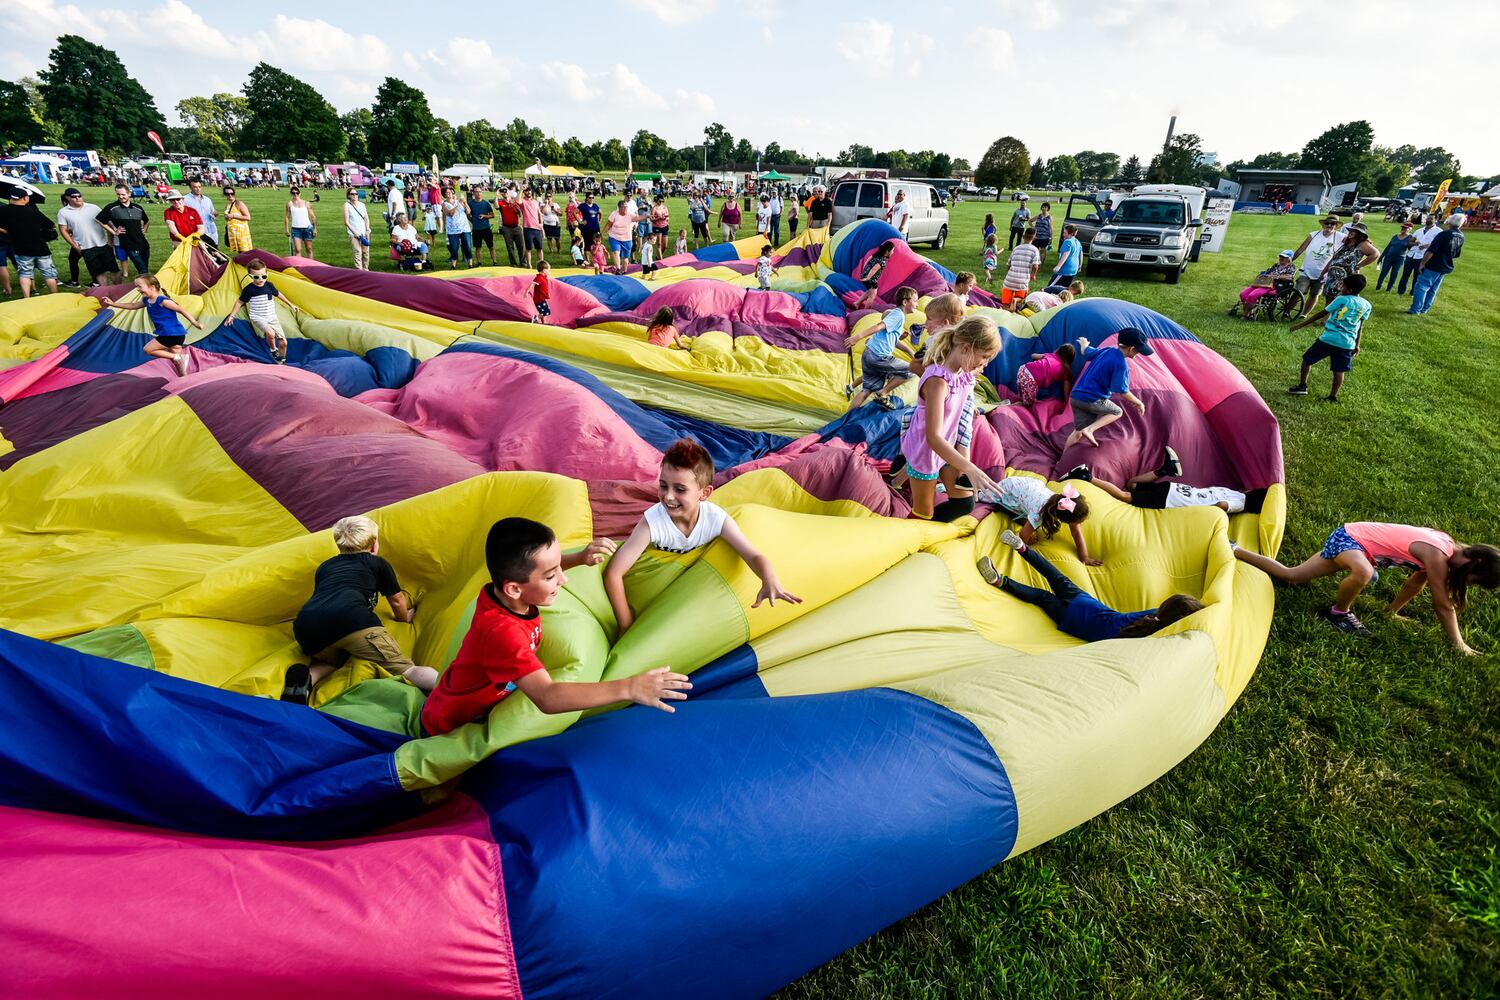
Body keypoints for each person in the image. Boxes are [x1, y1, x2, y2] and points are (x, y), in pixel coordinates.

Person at [419, 518, 686, 735]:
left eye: (559, 568)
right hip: (450, 723)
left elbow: (536, 570)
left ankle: (428, 680)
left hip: (473, 686)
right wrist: (629, 687)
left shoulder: (503, 593)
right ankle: (421, 682)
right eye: (551, 576)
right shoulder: (504, 634)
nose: (564, 580)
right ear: (513, 588)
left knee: (446, 685)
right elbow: (547, 697)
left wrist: (580, 557)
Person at [603, 440, 801, 633]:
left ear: (704, 493)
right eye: (663, 486)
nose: (668, 496)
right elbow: (614, 573)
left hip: (685, 599)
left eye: (680, 489)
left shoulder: (715, 519)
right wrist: (626, 624)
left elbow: (753, 555)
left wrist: (769, 580)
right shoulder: (652, 522)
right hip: (651, 594)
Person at [1232, 523, 1498, 650]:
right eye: (1471, 581)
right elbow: (1443, 605)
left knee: (1292, 575)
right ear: (1474, 564)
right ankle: (1338, 613)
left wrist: (1392, 611)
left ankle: (1235, 549)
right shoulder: (1438, 555)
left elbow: (1415, 582)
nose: (1466, 584)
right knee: (1364, 572)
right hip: (1351, 542)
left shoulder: (1444, 544)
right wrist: (1459, 644)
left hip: (1350, 540)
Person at [283, 516, 438, 705]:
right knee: (407, 669)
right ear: (374, 546)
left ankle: (305, 681)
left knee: (333, 660)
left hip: (307, 626)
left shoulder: (325, 566)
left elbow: (327, 599)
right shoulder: (377, 564)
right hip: (351, 620)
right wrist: (405, 617)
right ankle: (450, 688)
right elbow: (397, 601)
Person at [977, 530, 1205, 641]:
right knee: (1041, 597)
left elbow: (1168, 612)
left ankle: (1021, 547)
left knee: (1055, 576)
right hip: (1073, 623)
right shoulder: (1153, 636)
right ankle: (1000, 581)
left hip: (1086, 605)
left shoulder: (1152, 616)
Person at [900, 315, 1003, 521]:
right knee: (923, 513)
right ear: (966, 348)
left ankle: (930, 529)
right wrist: (969, 468)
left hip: (948, 448)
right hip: (926, 453)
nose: (983, 364)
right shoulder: (938, 382)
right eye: (983, 357)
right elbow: (933, 438)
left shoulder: (963, 375)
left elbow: (961, 417)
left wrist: (965, 462)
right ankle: (914, 533)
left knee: (964, 503)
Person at [1069, 448, 1265, 516]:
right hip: (1172, 501)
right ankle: (1086, 476)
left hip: (1178, 489)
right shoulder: (1239, 504)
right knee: (1125, 496)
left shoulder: (1236, 492)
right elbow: (1222, 505)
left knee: (1132, 484)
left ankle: (1165, 470)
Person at [1287, 272, 1369, 403]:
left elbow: (1321, 314)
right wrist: (1357, 345)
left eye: (1343, 287)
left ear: (1350, 290)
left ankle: (1302, 386)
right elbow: (1360, 326)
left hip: (1328, 339)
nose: (1341, 289)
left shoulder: (1342, 299)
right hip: (1347, 344)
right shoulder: (1366, 305)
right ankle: (1333, 396)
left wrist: (1300, 325)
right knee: (1339, 370)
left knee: (1307, 360)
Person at [101, 273, 203, 377]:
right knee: (178, 363)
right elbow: (133, 305)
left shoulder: (162, 301)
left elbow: (181, 309)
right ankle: (184, 377)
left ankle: (179, 358)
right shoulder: (147, 300)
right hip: (175, 334)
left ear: (152, 287)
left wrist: (194, 322)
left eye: (139, 286)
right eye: (136, 287)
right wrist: (113, 304)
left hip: (171, 334)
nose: (137, 289)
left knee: (148, 349)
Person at [1065, 327, 1153, 447]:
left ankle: (1061, 460)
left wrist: (1084, 344)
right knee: (1117, 412)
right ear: (1132, 349)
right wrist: (1138, 403)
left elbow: (1086, 353)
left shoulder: (1106, 350)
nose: (1138, 354)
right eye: (1138, 351)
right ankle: (1090, 430)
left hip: (1076, 397)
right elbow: (1122, 391)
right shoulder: (1121, 365)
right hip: (1092, 399)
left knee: (1078, 432)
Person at [981, 475, 1098, 563]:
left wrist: (1085, 557)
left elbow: (1076, 532)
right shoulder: (1039, 514)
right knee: (981, 496)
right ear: (1063, 519)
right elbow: (1022, 536)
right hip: (1007, 491)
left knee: (1028, 517)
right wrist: (1028, 541)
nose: (1079, 525)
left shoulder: (1058, 501)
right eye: (1078, 522)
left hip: (1026, 486)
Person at [843, 285, 918, 409]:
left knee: (866, 390)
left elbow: (892, 341)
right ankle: (883, 393)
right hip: (878, 356)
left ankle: (846, 418)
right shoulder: (898, 314)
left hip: (869, 354)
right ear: (905, 302)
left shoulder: (898, 317)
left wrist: (908, 348)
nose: (917, 304)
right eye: (915, 301)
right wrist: (857, 337)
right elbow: (879, 326)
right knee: (910, 370)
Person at [223, 259, 300, 362]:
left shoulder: (269, 285)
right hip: (258, 317)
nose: (260, 279)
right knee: (271, 334)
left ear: (267, 274)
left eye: (263, 276)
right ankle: (273, 349)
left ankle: (281, 361)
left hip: (272, 317)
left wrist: (291, 304)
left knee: (283, 343)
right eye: (256, 277)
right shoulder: (249, 289)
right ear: (250, 276)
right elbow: (239, 302)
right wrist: (231, 316)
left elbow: (278, 294)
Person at [0, 188, 59, 298]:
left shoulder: (4, 211)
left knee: (25, 274)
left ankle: (27, 297)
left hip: (21, 248)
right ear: (25, 198)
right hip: (41, 247)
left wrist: (10, 232)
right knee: (48, 274)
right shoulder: (33, 211)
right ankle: (54, 296)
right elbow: (50, 224)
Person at [56, 187, 118, 287]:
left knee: (114, 269)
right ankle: (105, 290)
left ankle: (118, 288)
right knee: (97, 272)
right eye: (74, 197)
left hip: (102, 244)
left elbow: (106, 222)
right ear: (67, 198)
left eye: (79, 196)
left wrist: (110, 240)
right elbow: (63, 230)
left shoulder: (93, 207)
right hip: (85, 247)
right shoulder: (63, 212)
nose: (78, 198)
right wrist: (74, 245)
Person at [1314, 222, 1378, 312]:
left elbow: (1375, 254)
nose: (1350, 232)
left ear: (1359, 234)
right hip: (1333, 276)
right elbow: (1334, 259)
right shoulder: (1346, 243)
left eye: (1354, 231)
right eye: (1351, 230)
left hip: (1346, 276)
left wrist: (1359, 265)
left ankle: (1337, 317)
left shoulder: (1362, 244)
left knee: (1341, 298)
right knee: (1329, 295)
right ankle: (1327, 317)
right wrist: (1324, 272)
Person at [1288, 213, 1343, 317]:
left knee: (1314, 294)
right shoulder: (1313, 235)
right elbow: (1300, 249)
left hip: (1323, 273)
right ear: (1323, 224)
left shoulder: (1340, 237)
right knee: (1298, 291)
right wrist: (1290, 261)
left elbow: (1354, 240)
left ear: (1336, 226)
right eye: (1327, 223)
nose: (1329, 226)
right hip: (1307, 269)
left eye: (1333, 224)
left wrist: (1366, 241)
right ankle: (1287, 311)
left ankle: (1304, 314)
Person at [1409, 215, 1464, 316]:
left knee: (1421, 286)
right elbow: (1456, 254)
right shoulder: (1461, 236)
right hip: (1446, 266)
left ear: (1450, 222)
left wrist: (1422, 263)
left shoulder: (1444, 234)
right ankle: (1424, 308)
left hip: (1434, 264)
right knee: (1433, 289)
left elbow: (1431, 251)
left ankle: (1415, 309)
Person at [100, 183, 151, 277]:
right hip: (128, 243)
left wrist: (144, 230)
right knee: (141, 267)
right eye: (118, 194)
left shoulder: (138, 208)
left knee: (145, 264)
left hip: (142, 242)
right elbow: (99, 220)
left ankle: (145, 279)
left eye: (123, 194)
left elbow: (147, 221)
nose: (121, 196)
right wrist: (114, 232)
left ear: (129, 194)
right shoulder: (112, 208)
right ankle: (146, 281)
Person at [1010, 340, 1081, 406]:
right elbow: (1066, 390)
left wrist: (1041, 361)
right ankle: (1007, 407)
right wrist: (1067, 403)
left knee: (1023, 396)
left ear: (1059, 350)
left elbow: (1033, 355)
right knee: (1027, 404)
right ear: (1070, 359)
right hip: (1030, 379)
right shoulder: (1065, 370)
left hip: (1023, 369)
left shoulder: (1051, 356)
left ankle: (1013, 403)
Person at [1232, 250, 1298, 320]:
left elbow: (1290, 277)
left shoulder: (1291, 267)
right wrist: (1265, 274)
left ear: (1289, 259)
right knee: (1243, 294)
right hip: (1264, 283)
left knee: (1252, 296)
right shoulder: (1276, 265)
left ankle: (1246, 315)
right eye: (1280, 256)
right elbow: (1267, 272)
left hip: (1274, 286)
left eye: (1284, 257)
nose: (1281, 258)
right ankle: (1250, 312)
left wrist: (1277, 276)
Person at [1001, 227, 1040, 311]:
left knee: (1005, 304)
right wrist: (1033, 275)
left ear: (1023, 236)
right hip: (1022, 281)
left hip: (1009, 279)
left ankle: (1005, 313)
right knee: (1022, 298)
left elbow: (1009, 264)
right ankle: (1015, 300)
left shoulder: (1016, 248)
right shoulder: (1034, 250)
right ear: (1034, 238)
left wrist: (1010, 272)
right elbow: (1035, 266)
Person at [854, 239, 896, 310]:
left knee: (869, 292)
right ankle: (866, 311)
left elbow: (868, 259)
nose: (893, 252)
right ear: (887, 251)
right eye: (892, 250)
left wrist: (865, 270)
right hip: (871, 280)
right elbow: (874, 269)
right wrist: (868, 278)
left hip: (865, 276)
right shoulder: (883, 261)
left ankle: (857, 303)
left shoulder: (876, 255)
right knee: (872, 296)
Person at [1374, 222, 1413, 292]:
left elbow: (1411, 248)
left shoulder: (1411, 237)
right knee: (1384, 272)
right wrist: (1381, 257)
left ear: (1410, 229)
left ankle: (1389, 289)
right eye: (1402, 227)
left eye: (1405, 228)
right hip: (1389, 257)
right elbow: (1388, 247)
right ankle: (1378, 287)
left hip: (1400, 259)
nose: (1403, 229)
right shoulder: (1395, 236)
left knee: (1394, 273)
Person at [441, 187, 473, 269]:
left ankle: (470, 264)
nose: (450, 193)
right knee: (454, 248)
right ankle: (453, 265)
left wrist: (465, 203)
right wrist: (458, 204)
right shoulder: (444, 204)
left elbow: (468, 212)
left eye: (451, 192)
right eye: (447, 192)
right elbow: (450, 213)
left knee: (467, 246)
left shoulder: (459, 201)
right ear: (444, 194)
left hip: (464, 227)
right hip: (453, 230)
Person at [340, 188, 372, 271]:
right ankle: (359, 270)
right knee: (357, 252)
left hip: (364, 232)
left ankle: (366, 269)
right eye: (352, 194)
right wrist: (355, 233)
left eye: (356, 194)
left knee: (366, 252)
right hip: (354, 233)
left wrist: (367, 230)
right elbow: (346, 222)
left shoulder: (362, 205)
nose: (355, 195)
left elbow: (366, 218)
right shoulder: (346, 205)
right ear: (349, 196)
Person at [284, 186, 316, 259]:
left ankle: (311, 266)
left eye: (297, 193)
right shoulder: (289, 204)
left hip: (307, 228)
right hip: (296, 229)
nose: (295, 195)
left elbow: (313, 217)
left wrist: (315, 229)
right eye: (293, 193)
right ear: (291, 194)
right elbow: (287, 217)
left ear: (300, 193)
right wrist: (286, 229)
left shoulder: (306, 203)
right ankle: (299, 267)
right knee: (298, 250)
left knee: (309, 249)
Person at [468, 185, 496, 266]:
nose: (478, 193)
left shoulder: (486, 203)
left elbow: (492, 215)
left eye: (480, 191)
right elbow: (468, 215)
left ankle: (494, 262)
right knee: (477, 247)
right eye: (476, 192)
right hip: (476, 229)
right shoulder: (471, 203)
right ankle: (479, 262)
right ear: (474, 193)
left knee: (491, 246)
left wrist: (484, 216)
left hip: (486, 228)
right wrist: (473, 221)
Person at [183, 179, 217, 245]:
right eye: (195, 187)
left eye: (199, 187)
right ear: (190, 187)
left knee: (215, 251)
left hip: (212, 229)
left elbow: (213, 211)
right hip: (198, 232)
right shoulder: (184, 200)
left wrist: (215, 213)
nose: (198, 189)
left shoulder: (207, 199)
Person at [496, 190, 525, 267]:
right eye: (503, 192)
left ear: (509, 193)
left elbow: (520, 213)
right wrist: (496, 195)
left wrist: (514, 205)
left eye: (506, 192)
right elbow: (496, 206)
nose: (505, 193)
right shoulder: (501, 202)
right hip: (506, 227)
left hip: (516, 227)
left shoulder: (514, 201)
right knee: (510, 247)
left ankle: (523, 262)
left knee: (521, 246)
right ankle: (513, 263)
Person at [606, 199, 635, 271]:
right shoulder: (614, 214)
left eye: (626, 207)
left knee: (625, 257)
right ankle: (618, 269)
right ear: (619, 207)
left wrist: (647, 216)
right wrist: (602, 233)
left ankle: (624, 271)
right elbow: (608, 224)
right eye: (623, 207)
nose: (625, 208)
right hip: (614, 237)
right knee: (616, 252)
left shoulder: (630, 214)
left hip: (627, 238)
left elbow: (638, 218)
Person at [222, 185, 252, 254]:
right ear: (225, 195)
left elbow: (248, 217)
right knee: (240, 253)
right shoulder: (228, 205)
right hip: (234, 233)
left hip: (241, 233)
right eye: (227, 194)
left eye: (231, 193)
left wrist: (233, 216)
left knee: (245, 253)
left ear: (234, 194)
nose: (230, 195)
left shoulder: (239, 203)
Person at [520, 189, 543, 267]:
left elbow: (539, 213)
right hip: (528, 228)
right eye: (526, 191)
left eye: (530, 191)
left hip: (537, 228)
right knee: (528, 248)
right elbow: (517, 200)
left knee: (539, 248)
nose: (529, 192)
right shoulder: (523, 201)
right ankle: (529, 265)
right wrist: (521, 189)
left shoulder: (535, 202)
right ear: (524, 192)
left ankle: (541, 265)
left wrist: (541, 224)